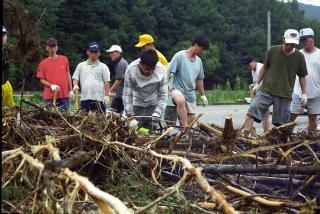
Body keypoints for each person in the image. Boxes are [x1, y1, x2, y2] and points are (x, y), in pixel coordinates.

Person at [243, 29, 308, 138]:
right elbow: (265, 67)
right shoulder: (273, 51)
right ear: (283, 40)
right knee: (252, 109)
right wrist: (257, 83)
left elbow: (302, 76)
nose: (289, 47)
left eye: (292, 45)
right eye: (287, 44)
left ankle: (279, 143)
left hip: (284, 94)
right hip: (267, 89)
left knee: (281, 123)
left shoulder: (299, 57)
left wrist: (304, 93)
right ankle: (244, 135)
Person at [167, 34, 209, 127]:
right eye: (202, 49)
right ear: (196, 45)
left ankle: (184, 132)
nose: (202, 52)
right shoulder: (180, 56)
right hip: (176, 89)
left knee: (191, 124)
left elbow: (199, 79)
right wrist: (164, 89)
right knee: (180, 100)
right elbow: (169, 73)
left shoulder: (198, 61)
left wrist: (203, 95)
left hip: (190, 93)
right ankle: (184, 126)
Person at [123, 49, 168, 129]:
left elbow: (163, 94)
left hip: (154, 103)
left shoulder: (161, 70)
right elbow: (127, 95)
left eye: (152, 69)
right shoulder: (131, 70)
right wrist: (131, 116)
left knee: (156, 131)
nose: (149, 72)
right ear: (140, 64)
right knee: (131, 130)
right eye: (147, 69)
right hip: (137, 102)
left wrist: (158, 111)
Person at [290, 28, 320, 135]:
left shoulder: (319, 54)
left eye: (305, 39)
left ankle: (311, 138)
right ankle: (285, 135)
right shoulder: (297, 54)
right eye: (301, 40)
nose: (303, 42)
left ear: (312, 38)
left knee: (312, 118)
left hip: (315, 92)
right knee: (292, 115)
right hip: (298, 91)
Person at [72, 42, 110, 113]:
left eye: (95, 52)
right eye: (91, 51)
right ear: (87, 52)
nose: (93, 54)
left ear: (99, 53)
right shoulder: (81, 65)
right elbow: (75, 78)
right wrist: (75, 85)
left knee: (100, 120)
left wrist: (107, 95)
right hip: (85, 98)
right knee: (84, 120)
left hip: (99, 99)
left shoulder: (103, 67)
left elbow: (106, 82)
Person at [36, 38, 73, 110]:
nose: (52, 49)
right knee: (49, 118)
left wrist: (71, 90)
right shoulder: (43, 63)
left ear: (57, 47)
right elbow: (41, 80)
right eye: (50, 47)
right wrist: (51, 85)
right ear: (46, 48)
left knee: (65, 117)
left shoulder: (64, 59)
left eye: (54, 46)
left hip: (64, 95)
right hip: (49, 96)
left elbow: (68, 74)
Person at [241, 55, 270, 133]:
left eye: (248, 65)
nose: (247, 68)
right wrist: (253, 95)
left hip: (266, 93)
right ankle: (266, 133)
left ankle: (246, 132)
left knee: (251, 112)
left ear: (253, 61)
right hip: (261, 93)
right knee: (265, 115)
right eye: (246, 67)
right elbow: (255, 83)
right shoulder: (253, 70)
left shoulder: (260, 68)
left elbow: (265, 83)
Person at [106, 45, 128, 113]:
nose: (110, 55)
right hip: (122, 95)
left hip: (121, 96)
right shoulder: (122, 62)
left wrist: (109, 91)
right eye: (110, 53)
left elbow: (119, 79)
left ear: (118, 53)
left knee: (112, 113)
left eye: (112, 53)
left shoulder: (121, 63)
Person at [2, 26, 14, 107]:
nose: (2, 37)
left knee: (9, 112)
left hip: (6, 84)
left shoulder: (7, 51)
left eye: (3, 35)